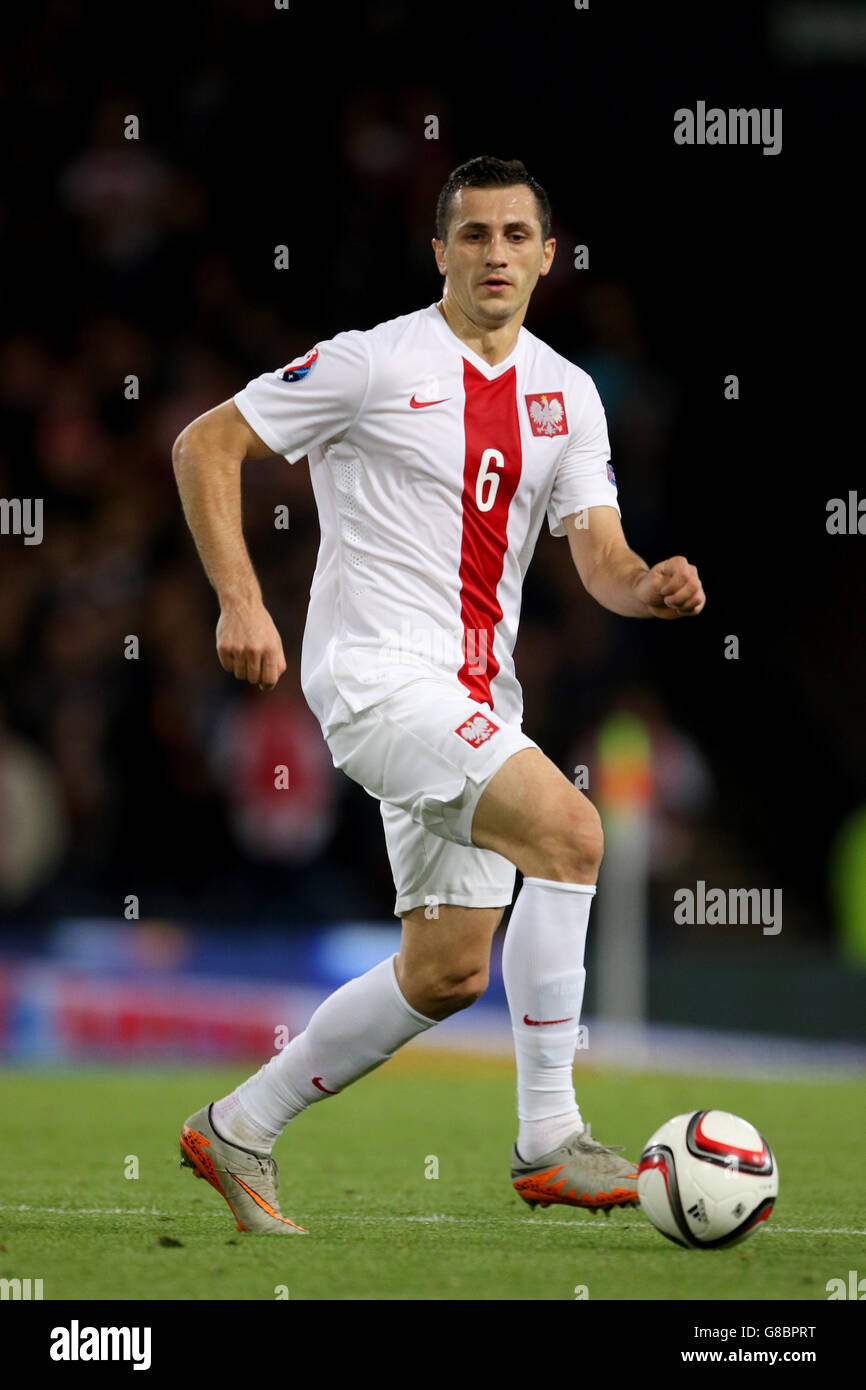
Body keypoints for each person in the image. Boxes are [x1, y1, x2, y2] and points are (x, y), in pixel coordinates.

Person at [171, 156, 706, 1235]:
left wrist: (644, 587)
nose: (495, 253)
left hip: (472, 696)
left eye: (515, 235)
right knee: (569, 829)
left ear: (547, 256)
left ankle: (236, 1126)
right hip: (372, 676)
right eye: (473, 235)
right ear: (439, 253)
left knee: (449, 966)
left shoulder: (567, 394)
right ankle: (549, 1136)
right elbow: (205, 441)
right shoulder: (372, 364)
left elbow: (595, 555)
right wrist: (239, 599)